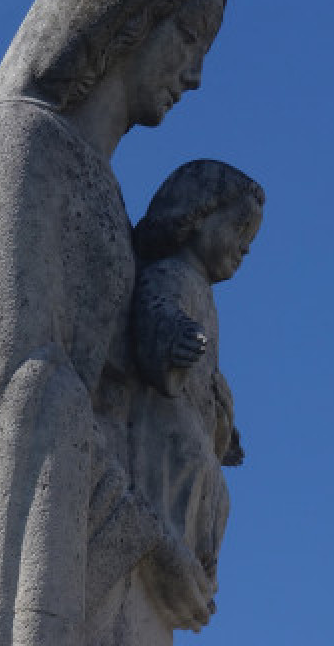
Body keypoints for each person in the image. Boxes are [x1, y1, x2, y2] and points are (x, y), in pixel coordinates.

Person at [0, 0, 226, 646]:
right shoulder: (17, 150)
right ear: (128, 20)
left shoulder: (106, 195)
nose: (196, 74)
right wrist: (154, 545)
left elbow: (110, 399)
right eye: (189, 35)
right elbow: (22, 391)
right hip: (26, 568)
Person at [120, 159, 264, 638]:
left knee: (204, 484)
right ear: (197, 214)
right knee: (182, 474)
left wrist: (224, 420)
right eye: (240, 227)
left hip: (194, 434)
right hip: (167, 433)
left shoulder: (204, 295)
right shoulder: (174, 277)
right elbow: (154, 312)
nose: (246, 246)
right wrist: (172, 341)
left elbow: (207, 375)